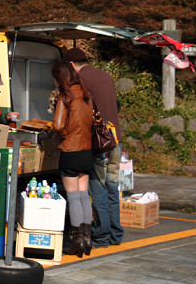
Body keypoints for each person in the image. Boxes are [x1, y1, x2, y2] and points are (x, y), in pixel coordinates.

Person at [67, 47, 124, 248]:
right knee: (112, 188)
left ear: (72, 65)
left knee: (97, 189)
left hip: (100, 144)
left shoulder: (82, 81)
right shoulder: (106, 76)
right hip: (116, 140)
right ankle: (116, 234)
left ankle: (101, 235)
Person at [51, 61, 93, 258]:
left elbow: (58, 124)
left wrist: (63, 132)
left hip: (71, 149)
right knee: (84, 195)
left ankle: (76, 241)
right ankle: (87, 239)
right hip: (86, 150)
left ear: (61, 77)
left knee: (73, 197)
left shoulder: (65, 96)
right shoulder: (85, 93)